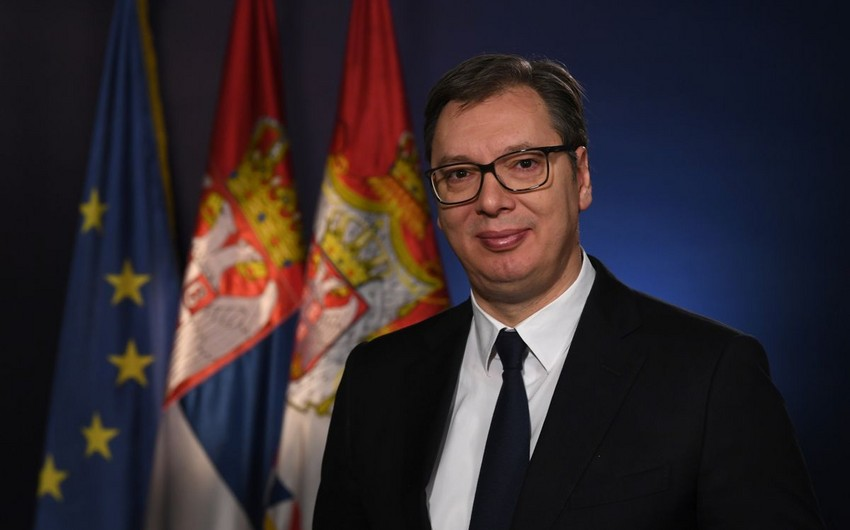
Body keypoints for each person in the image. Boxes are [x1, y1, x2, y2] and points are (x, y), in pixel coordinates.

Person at [313, 53, 824, 529]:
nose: (491, 201)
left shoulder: (711, 375)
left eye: (524, 164)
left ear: (580, 177)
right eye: (460, 174)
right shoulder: (376, 379)